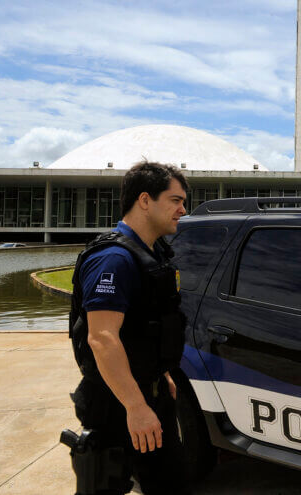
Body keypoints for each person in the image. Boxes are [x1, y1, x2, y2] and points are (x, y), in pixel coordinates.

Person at [66, 162, 190, 495]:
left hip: (149, 396)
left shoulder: (154, 254)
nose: (183, 209)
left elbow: (146, 326)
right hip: (116, 404)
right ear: (145, 200)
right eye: (175, 200)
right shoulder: (113, 259)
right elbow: (102, 338)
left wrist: (159, 375)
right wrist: (135, 407)